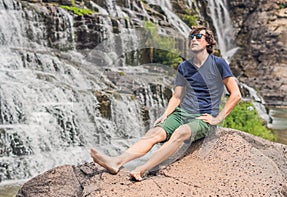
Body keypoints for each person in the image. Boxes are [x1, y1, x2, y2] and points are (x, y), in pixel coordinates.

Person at [90, 25, 241, 181]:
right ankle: (116, 162)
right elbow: (176, 97)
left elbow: (235, 94)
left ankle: (142, 169)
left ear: (208, 42)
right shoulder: (184, 67)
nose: (194, 39)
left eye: (198, 37)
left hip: (203, 117)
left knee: (181, 132)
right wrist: (165, 114)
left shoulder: (218, 64)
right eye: (192, 37)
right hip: (181, 113)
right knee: (154, 133)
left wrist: (217, 119)